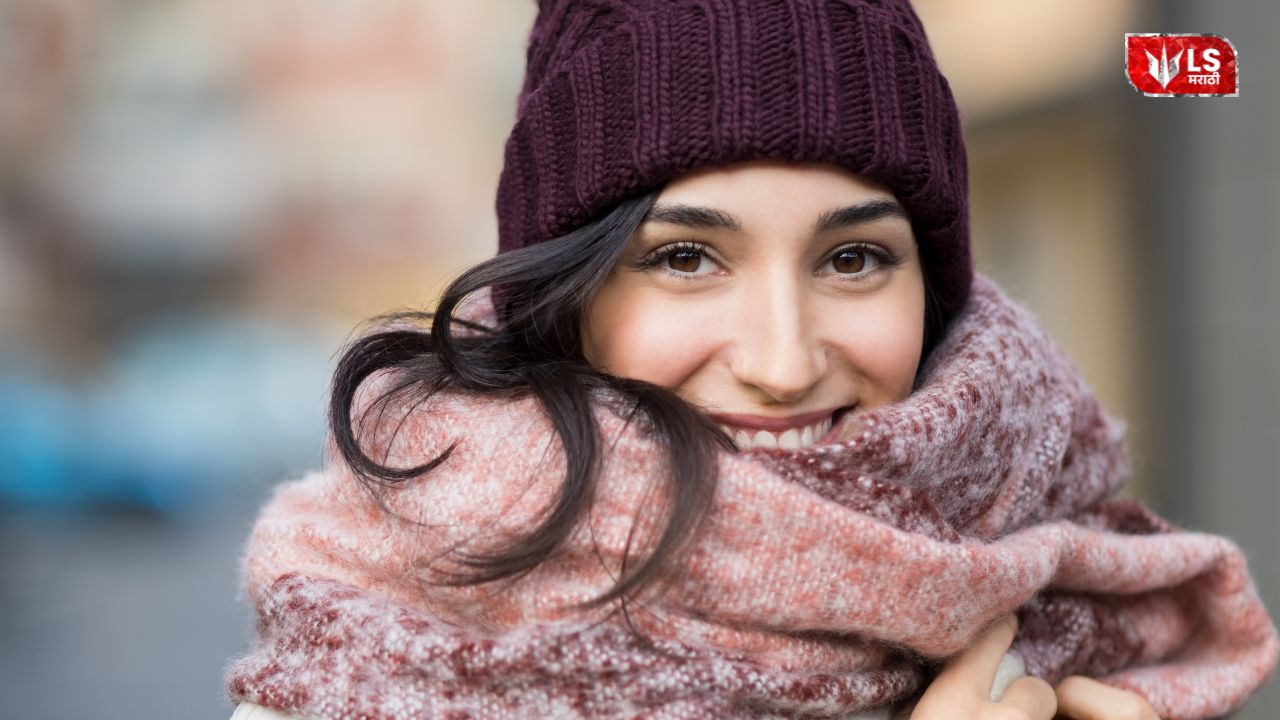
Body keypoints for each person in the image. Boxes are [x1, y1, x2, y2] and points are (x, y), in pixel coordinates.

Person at [225, 1, 1278, 718]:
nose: (782, 360)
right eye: (685, 257)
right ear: (567, 294)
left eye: (854, 259)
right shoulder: (377, 652)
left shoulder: (1087, 597)